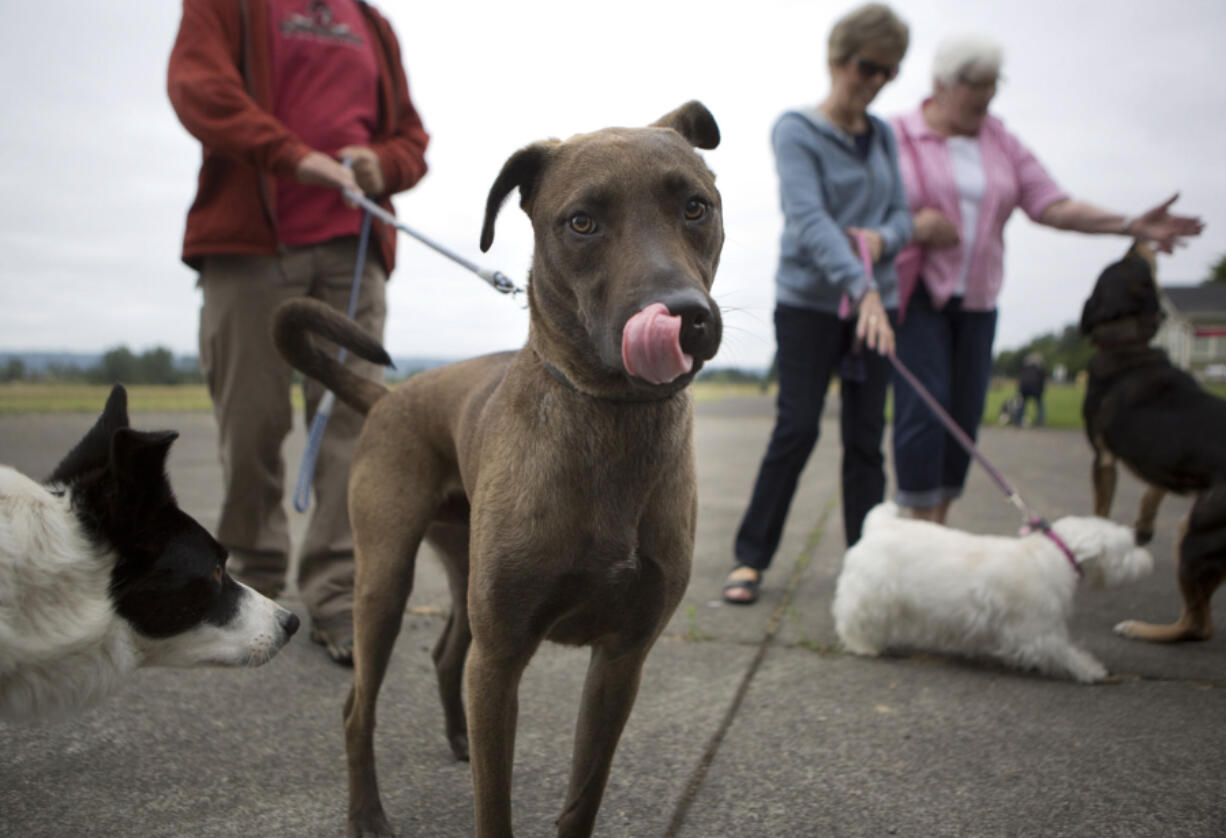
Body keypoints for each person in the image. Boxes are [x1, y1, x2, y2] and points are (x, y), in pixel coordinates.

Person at [167, 0, 429, 664]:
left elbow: (410, 140)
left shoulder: (372, 24)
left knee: (351, 425)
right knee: (251, 420)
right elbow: (199, 89)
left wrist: (380, 164)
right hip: (250, 248)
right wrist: (297, 158)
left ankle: (340, 595)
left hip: (352, 250)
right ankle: (245, 580)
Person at [889, 34, 1203, 525]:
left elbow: (1051, 204)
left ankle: (938, 525)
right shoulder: (897, 136)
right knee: (924, 414)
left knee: (965, 417)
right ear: (944, 84)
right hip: (918, 295)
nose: (987, 97)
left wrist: (1130, 223)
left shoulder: (1000, 140)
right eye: (977, 86)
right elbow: (862, 210)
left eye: (994, 86)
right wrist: (914, 227)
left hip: (978, 301)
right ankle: (914, 534)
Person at [723, 3, 912, 605]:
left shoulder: (883, 135)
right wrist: (863, 289)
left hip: (879, 306)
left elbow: (904, 216)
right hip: (811, 303)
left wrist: (886, 240)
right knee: (797, 428)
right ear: (837, 59)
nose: (876, 81)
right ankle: (751, 558)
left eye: (890, 72)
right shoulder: (796, 130)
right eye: (867, 67)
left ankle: (868, 570)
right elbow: (809, 219)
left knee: (864, 439)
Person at [1013, 352, 1046, 427]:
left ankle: (1018, 421)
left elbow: (1021, 379)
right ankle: (1041, 421)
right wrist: (1042, 390)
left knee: (1021, 405)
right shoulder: (1039, 369)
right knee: (1039, 405)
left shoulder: (1024, 368)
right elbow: (1041, 381)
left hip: (1024, 389)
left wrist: (1019, 390)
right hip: (1035, 388)